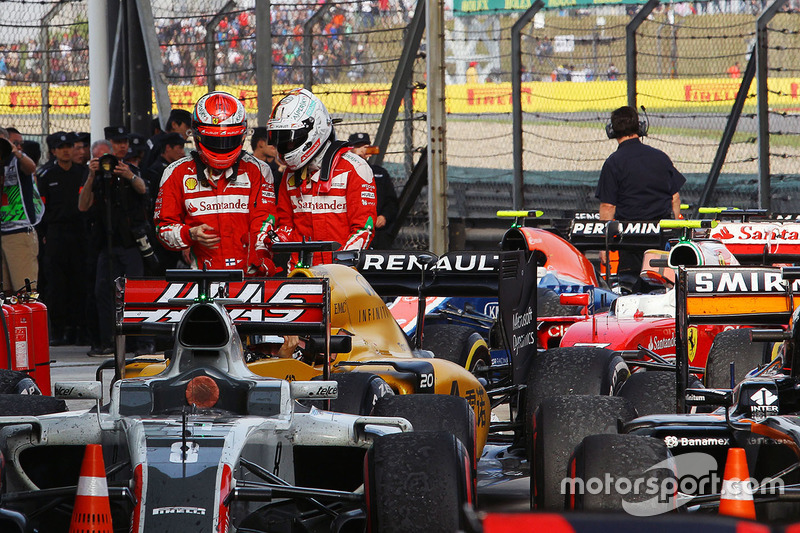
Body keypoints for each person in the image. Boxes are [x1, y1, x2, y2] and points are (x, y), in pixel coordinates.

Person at [155, 91, 278, 275]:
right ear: (196, 135)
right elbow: (163, 228)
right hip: (202, 278)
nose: (222, 146)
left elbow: (265, 220)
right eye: (214, 140)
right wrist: (189, 234)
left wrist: (259, 258)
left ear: (242, 136)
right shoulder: (175, 173)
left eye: (229, 139)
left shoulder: (259, 170)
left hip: (251, 276)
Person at [267, 88, 377, 266]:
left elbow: (363, 229)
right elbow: (286, 224)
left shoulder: (355, 167)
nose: (285, 145)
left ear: (315, 128)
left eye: (291, 139)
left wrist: (339, 266)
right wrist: (273, 237)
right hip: (299, 271)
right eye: (281, 139)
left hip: (342, 274)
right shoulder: (290, 174)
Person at [596, 106, 685, 292]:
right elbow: (674, 198)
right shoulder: (661, 158)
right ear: (641, 128)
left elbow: (607, 206)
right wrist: (675, 228)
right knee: (664, 289)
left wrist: (603, 245)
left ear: (611, 131)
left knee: (630, 291)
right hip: (660, 237)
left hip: (630, 239)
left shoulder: (613, 162)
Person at [78, 125, 151, 355]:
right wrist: (91, 175)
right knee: (103, 293)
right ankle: (108, 340)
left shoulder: (127, 170)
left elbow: (143, 190)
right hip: (105, 246)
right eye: (99, 159)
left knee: (135, 292)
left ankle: (140, 342)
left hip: (129, 244)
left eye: (105, 158)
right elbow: (82, 205)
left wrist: (128, 175)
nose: (104, 163)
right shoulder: (93, 177)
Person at [37, 132, 89, 346]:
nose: (66, 150)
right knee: (57, 285)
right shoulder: (47, 175)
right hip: (56, 234)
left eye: (69, 146)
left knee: (79, 283)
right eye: (61, 147)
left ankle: (77, 329)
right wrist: (43, 235)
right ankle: (58, 330)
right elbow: (40, 209)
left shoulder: (82, 173)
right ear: (54, 151)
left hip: (79, 233)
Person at [0, 127, 43, 293]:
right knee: (5, 293)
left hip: (18, 231)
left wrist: (14, 150)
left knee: (24, 290)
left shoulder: (17, 160)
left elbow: (31, 167)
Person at [347, 132, 398, 250]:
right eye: (358, 146)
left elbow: (392, 202)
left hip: (377, 233)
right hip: (352, 230)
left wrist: (384, 216)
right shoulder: (343, 173)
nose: (362, 150)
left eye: (366, 146)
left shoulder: (380, 173)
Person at [250, 126, 284, 194]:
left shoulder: (277, 166)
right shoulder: (246, 166)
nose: (275, 148)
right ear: (261, 143)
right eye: (272, 144)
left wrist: (281, 171)